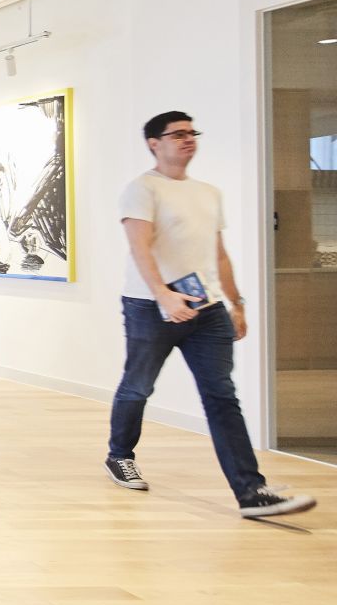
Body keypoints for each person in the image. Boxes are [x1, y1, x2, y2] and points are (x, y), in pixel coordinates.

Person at [105, 112, 314, 518]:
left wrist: (236, 303)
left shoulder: (208, 192)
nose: (188, 139)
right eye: (177, 134)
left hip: (207, 308)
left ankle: (251, 492)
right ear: (154, 143)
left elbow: (217, 254)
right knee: (138, 386)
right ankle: (120, 455)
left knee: (221, 396)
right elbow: (140, 248)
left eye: (191, 133)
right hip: (150, 307)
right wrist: (164, 296)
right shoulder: (142, 189)